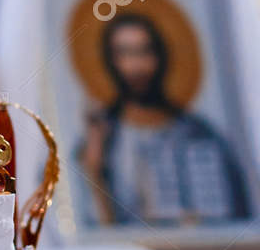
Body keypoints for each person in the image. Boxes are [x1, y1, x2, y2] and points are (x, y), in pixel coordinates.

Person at [76, 11, 251, 227]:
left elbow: (236, 214)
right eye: (125, 54)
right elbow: (93, 226)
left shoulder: (198, 132)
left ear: (161, 56)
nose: (137, 66)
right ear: (110, 61)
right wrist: (94, 168)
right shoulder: (102, 139)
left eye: (145, 51)